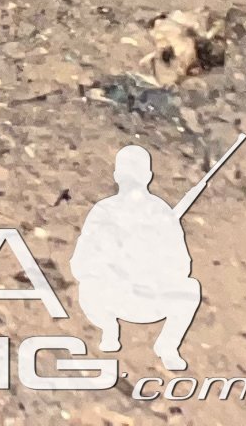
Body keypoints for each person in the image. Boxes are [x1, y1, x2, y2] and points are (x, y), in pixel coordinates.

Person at [71, 144, 203, 369]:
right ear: (148, 176)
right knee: (88, 286)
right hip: (113, 297)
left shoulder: (161, 214)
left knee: (190, 289)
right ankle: (109, 329)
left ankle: (167, 346)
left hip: (151, 299)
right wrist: (114, 261)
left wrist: (151, 262)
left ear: (117, 175)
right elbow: (80, 265)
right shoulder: (104, 212)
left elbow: (182, 266)